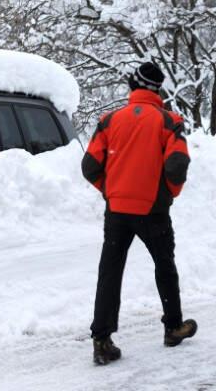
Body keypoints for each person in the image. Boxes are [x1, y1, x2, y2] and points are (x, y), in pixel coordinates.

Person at [81, 62, 196, 366]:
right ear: (157, 90)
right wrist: (166, 193)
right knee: (164, 266)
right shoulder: (169, 121)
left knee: (110, 271)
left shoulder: (109, 120)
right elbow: (177, 164)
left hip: (116, 209)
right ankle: (173, 327)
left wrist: (111, 189)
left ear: (134, 86)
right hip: (152, 210)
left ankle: (102, 340)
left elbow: (90, 166)